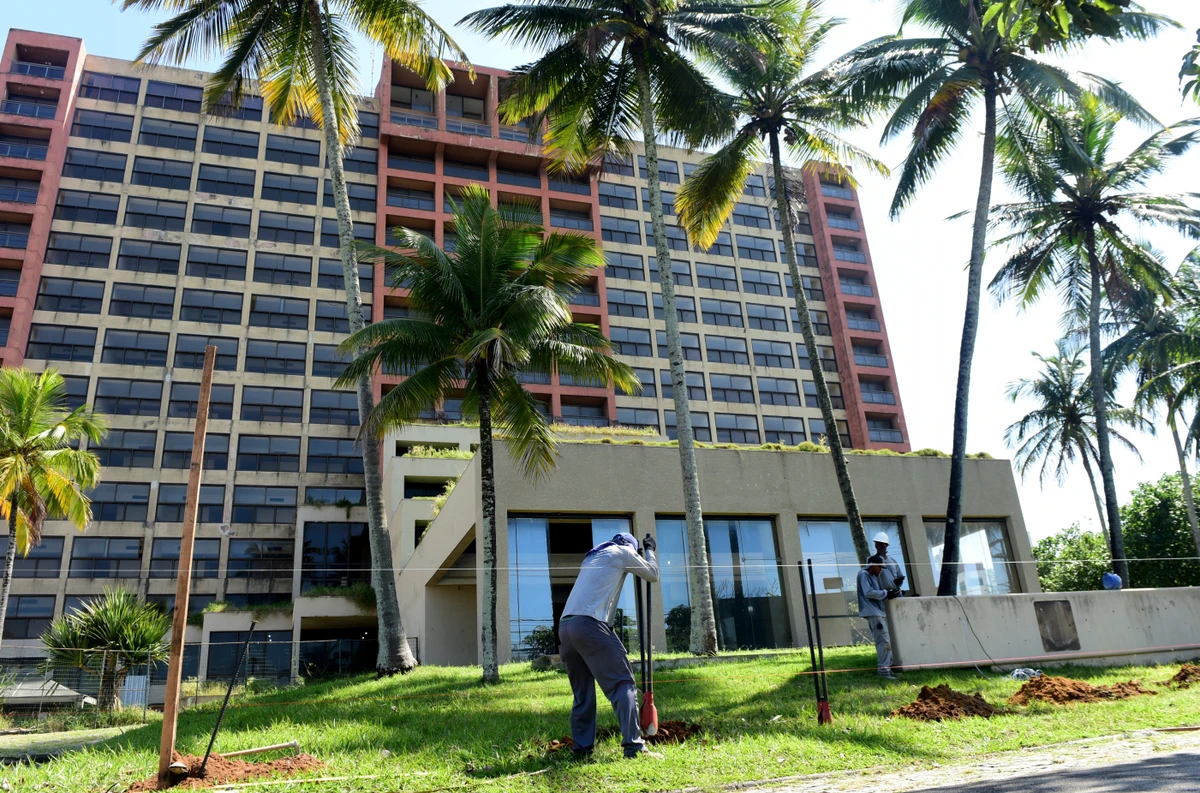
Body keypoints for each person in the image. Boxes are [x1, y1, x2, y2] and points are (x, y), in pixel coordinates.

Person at [559, 532, 660, 759]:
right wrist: (650, 551)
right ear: (631, 548)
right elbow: (652, 574)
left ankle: (582, 751)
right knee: (623, 683)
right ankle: (634, 747)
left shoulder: (593, 557)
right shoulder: (624, 552)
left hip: (566, 627)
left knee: (583, 694)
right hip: (588, 625)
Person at [857, 554, 900, 678]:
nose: (881, 570)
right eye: (880, 567)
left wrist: (890, 593)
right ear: (874, 565)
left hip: (877, 611)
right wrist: (886, 593)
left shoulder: (871, 575)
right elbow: (868, 592)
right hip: (873, 612)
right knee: (883, 641)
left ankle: (887, 669)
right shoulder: (863, 574)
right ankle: (883, 671)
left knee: (885, 641)